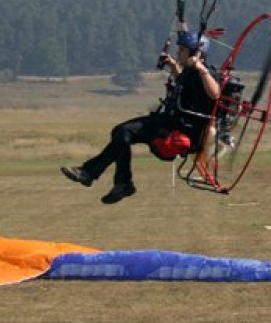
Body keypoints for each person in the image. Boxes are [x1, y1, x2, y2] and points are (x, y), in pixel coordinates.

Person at [61, 28, 221, 204]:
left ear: (196, 53)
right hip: (168, 122)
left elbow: (215, 93)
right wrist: (173, 65)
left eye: (182, 50)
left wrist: (201, 69)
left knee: (124, 132)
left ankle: (91, 173)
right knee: (121, 132)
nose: (179, 52)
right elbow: (185, 86)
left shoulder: (206, 72)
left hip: (179, 129)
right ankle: (122, 183)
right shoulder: (190, 73)